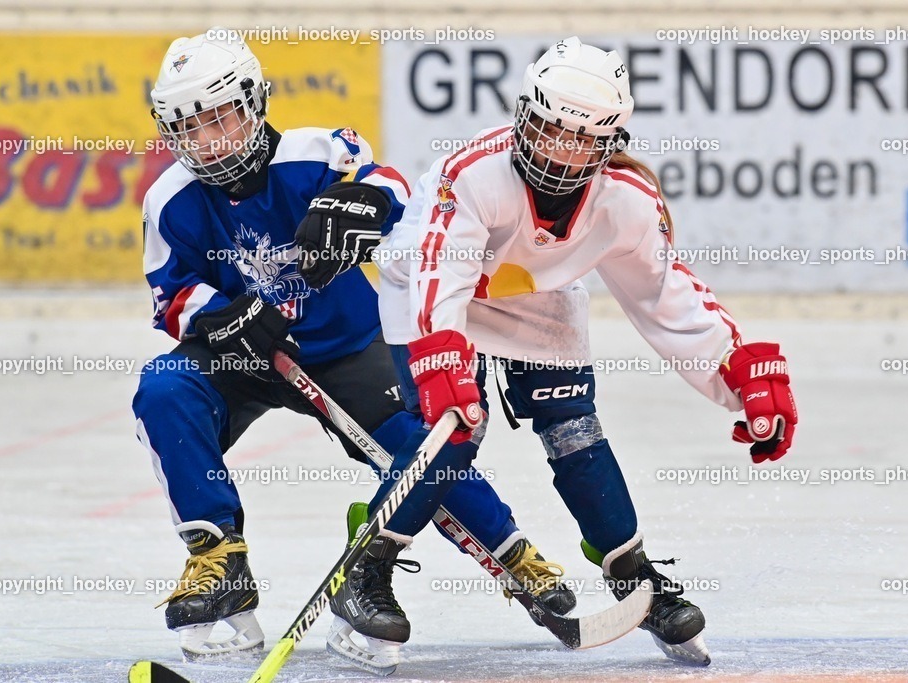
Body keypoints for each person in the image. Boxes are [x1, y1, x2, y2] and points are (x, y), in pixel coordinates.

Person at [132, 28, 574, 665]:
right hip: (243, 355)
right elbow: (169, 295)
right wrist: (221, 316)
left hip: (345, 346)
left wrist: (362, 203)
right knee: (165, 390)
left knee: (419, 451)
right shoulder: (169, 200)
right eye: (190, 130)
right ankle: (218, 559)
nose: (208, 142)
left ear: (255, 102)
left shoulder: (317, 153)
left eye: (221, 120)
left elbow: (396, 191)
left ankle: (514, 557)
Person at [363, 36, 799, 666]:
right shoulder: (475, 173)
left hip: (534, 296)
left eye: (580, 139)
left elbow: (667, 297)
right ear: (523, 114)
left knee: (574, 426)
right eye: (546, 128)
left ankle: (631, 571)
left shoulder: (625, 203)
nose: (558, 150)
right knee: (453, 428)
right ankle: (369, 569)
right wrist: (442, 356)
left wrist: (740, 375)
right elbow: (443, 269)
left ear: (608, 144)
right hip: (427, 288)